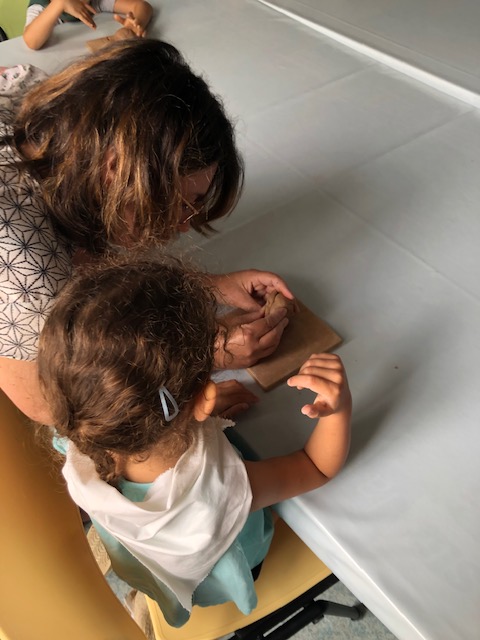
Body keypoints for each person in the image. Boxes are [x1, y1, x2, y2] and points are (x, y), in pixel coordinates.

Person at [37, 256, 352, 627]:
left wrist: (187, 412)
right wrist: (338, 409)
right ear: (205, 397)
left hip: (154, 564)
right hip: (221, 572)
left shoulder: (81, 429)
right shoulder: (219, 488)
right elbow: (316, 467)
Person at [0, 40, 293, 425]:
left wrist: (206, 286)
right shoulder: (25, 271)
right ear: (114, 171)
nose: (186, 225)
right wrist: (198, 364)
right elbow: (52, 406)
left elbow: (86, 260)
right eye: (184, 203)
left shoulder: (58, 113)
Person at [23, 0, 153, 50]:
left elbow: (141, 6)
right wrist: (59, 4)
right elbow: (31, 41)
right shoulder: (41, 7)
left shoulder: (96, 2)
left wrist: (133, 25)